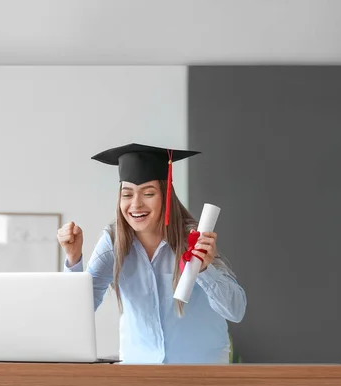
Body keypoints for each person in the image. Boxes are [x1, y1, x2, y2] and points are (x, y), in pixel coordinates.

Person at [57, 143, 247, 364]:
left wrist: (205, 269)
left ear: (166, 196)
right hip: (139, 373)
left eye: (148, 193)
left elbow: (235, 311)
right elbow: (77, 312)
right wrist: (73, 257)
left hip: (201, 372)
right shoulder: (113, 241)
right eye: (127, 195)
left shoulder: (193, 239)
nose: (136, 204)